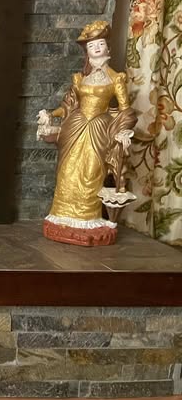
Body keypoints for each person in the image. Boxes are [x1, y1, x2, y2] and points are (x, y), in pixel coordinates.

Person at [38, 21, 136, 246]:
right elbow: (68, 105)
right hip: (75, 127)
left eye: (100, 44)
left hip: (98, 130)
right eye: (92, 46)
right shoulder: (80, 79)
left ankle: (86, 219)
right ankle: (62, 216)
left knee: (91, 172)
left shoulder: (116, 78)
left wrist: (123, 130)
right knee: (67, 171)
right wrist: (51, 114)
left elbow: (126, 110)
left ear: (107, 47)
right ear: (87, 52)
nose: (97, 48)